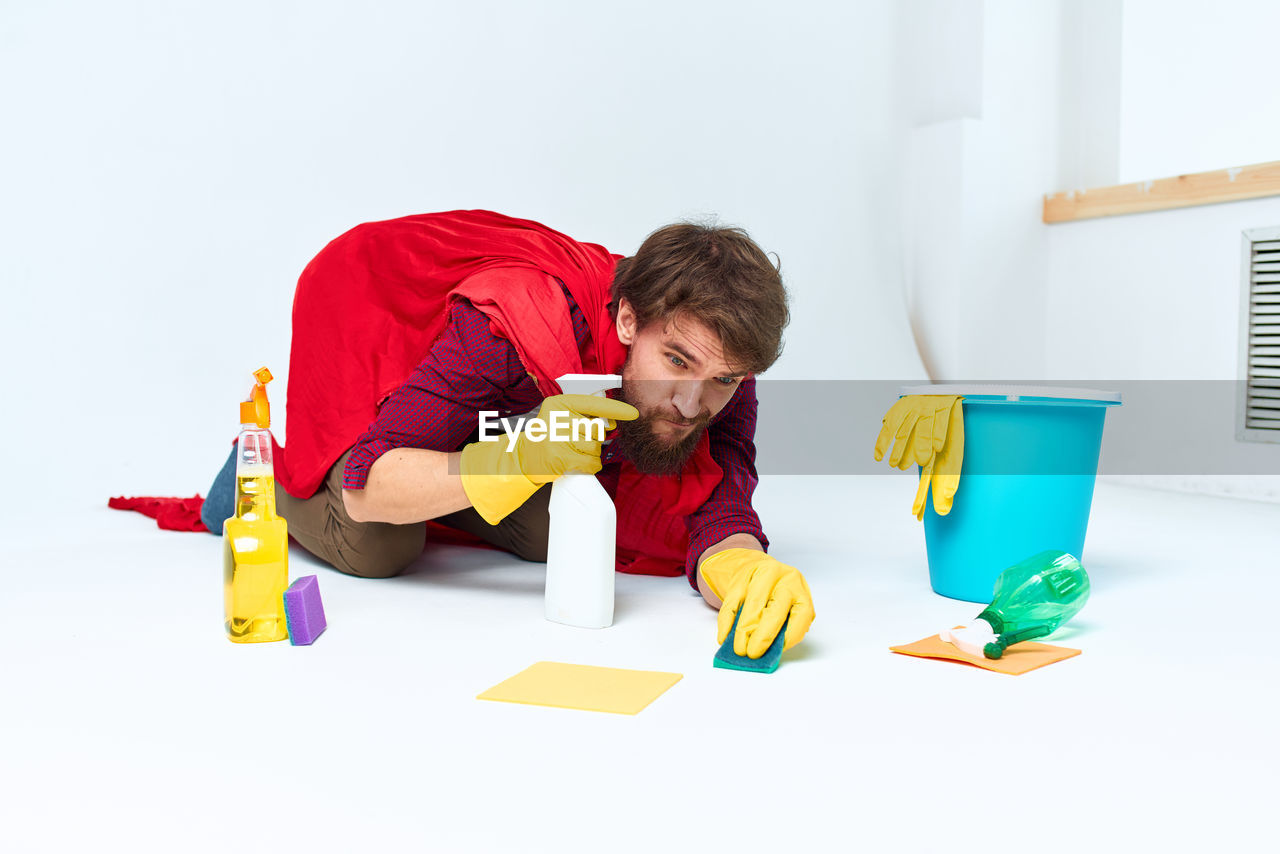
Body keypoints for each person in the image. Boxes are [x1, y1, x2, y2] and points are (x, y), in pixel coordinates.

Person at [203, 209, 814, 659]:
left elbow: (721, 489)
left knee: (564, 525)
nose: (691, 402)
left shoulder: (718, 355)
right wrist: (515, 461)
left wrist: (739, 561)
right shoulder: (506, 327)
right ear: (628, 318)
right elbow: (368, 484)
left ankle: (448, 483)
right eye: (676, 363)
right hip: (367, 300)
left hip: (479, 405)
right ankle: (251, 476)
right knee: (377, 544)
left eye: (725, 380)